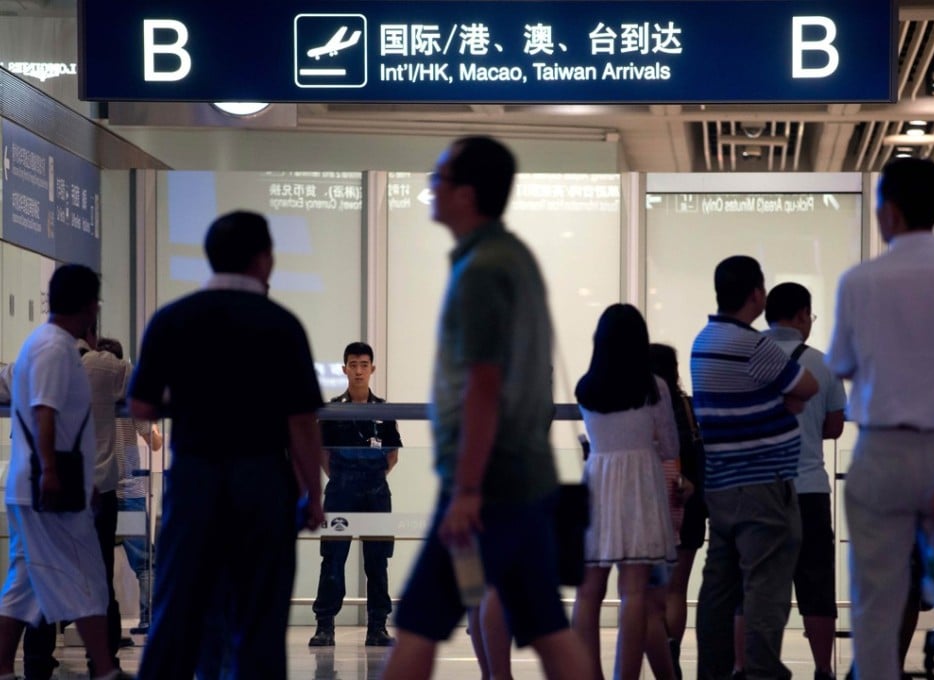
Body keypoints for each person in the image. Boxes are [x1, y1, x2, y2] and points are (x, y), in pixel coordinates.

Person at [380, 136, 592, 680]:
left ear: (468, 193)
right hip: (524, 480)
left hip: (489, 487)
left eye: (441, 177)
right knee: (547, 628)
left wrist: (467, 488)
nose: (432, 186)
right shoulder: (513, 257)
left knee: (419, 624)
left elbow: (483, 384)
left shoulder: (480, 271)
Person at [129, 210, 326, 679]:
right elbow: (301, 422)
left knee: (179, 608)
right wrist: (312, 495)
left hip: (195, 479)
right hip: (262, 483)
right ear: (264, 260)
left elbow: (140, 406)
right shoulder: (281, 324)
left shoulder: (174, 318)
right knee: (259, 617)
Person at [827, 157, 934, 680]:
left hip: (883, 454)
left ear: (890, 213)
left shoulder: (860, 280)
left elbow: (842, 363)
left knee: (876, 610)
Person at [690, 255, 818, 680]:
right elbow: (807, 388)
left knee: (719, 589)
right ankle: (763, 672)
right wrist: (777, 401)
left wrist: (771, 399)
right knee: (766, 588)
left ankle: (714, 671)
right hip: (764, 485)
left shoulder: (703, 340)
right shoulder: (753, 344)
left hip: (722, 485)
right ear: (757, 294)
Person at [0, 264, 126, 680]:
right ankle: (105, 669)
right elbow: (45, 412)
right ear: (91, 306)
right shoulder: (55, 350)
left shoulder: (39, 344)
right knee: (86, 573)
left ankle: (2, 666)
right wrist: (54, 474)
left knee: (24, 585)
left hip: (32, 485)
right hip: (47, 488)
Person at [729, 282, 846, 680]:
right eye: (809, 316)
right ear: (800, 316)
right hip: (809, 488)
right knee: (816, 583)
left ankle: (743, 666)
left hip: (756, 487)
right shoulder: (822, 363)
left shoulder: (744, 358)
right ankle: (822, 668)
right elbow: (834, 427)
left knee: (753, 582)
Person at [572, 303, 679, 680]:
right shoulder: (656, 388)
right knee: (634, 592)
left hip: (598, 480)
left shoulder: (586, 389)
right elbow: (669, 447)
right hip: (641, 485)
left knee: (588, 592)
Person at [309, 341, 402, 648]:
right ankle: (325, 626)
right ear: (344, 369)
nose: (359, 371)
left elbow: (392, 455)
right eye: (353, 365)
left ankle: (377, 627)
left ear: (372, 369)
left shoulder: (384, 411)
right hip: (341, 490)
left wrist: (371, 479)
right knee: (332, 558)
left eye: (364, 364)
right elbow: (322, 452)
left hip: (375, 490)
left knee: (377, 560)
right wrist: (340, 479)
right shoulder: (333, 410)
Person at [649, 342, 705, 680]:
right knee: (678, 588)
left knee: (649, 588)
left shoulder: (641, 407)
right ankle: (671, 649)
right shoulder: (687, 407)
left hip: (652, 504)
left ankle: (656, 651)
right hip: (689, 501)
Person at [100, 334, 161, 637]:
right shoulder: (129, 400)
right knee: (143, 561)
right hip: (132, 490)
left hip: (101, 490)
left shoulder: (92, 397)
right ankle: (150, 618)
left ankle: (102, 624)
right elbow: (156, 442)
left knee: (99, 559)